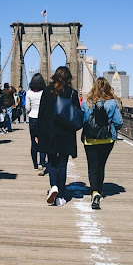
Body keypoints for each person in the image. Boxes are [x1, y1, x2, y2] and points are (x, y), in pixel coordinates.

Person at [36, 66, 81, 206]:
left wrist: (37, 133)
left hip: (49, 133)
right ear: (68, 78)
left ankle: (53, 186)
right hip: (66, 134)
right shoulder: (72, 93)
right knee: (63, 164)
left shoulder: (46, 91)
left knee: (51, 162)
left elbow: (41, 113)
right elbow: (76, 114)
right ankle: (60, 196)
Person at [81, 77, 123, 209]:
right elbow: (119, 122)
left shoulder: (86, 103)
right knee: (101, 165)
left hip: (90, 139)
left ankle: (94, 192)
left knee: (92, 166)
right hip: (107, 138)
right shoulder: (113, 103)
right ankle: (99, 190)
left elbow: (83, 120)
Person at [26, 74, 47, 175]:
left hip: (32, 118)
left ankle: (35, 164)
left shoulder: (29, 93)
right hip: (43, 119)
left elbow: (27, 107)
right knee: (43, 141)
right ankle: (42, 163)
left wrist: (30, 112)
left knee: (33, 141)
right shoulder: (45, 92)